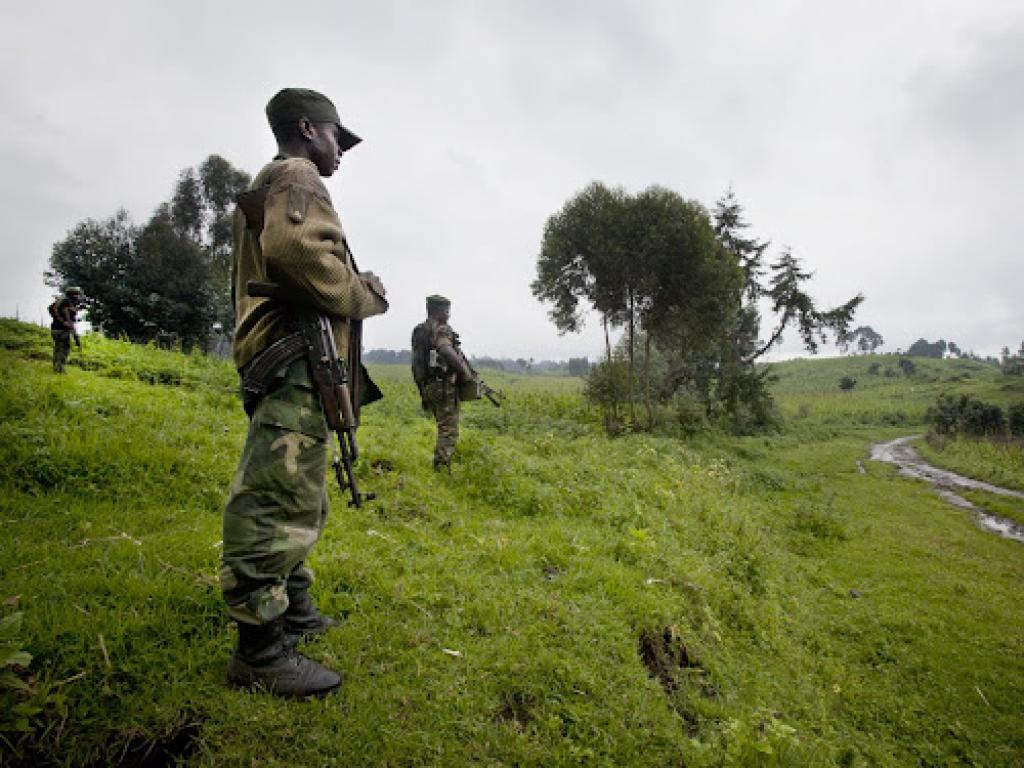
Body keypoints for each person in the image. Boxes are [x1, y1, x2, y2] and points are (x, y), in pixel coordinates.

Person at [220, 88, 388, 698]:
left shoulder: (278, 181)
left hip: (296, 359)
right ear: (306, 129)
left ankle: (294, 610)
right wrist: (362, 292)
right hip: (295, 359)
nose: (340, 151)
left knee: (302, 495)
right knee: (276, 500)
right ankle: (260, 654)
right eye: (335, 138)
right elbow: (295, 252)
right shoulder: (295, 173)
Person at [411, 295, 475, 471]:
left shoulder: (419, 331)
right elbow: (445, 349)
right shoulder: (441, 329)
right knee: (448, 430)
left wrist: (422, 389)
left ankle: (440, 465)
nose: (449, 315)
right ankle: (441, 468)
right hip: (444, 385)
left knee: (442, 426)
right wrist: (465, 373)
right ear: (440, 311)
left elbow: (416, 364)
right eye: (447, 311)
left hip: (428, 385)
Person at [49, 286, 82, 373]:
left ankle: (56, 367)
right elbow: (70, 323)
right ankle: (59, 369)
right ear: (73, 295)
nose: (78, 297)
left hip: (54, 328)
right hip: (62, 330)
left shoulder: (60, 305)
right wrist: (76, 337)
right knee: (64, 349)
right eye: (77, 295)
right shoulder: (67, 306)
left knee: (58, 348)